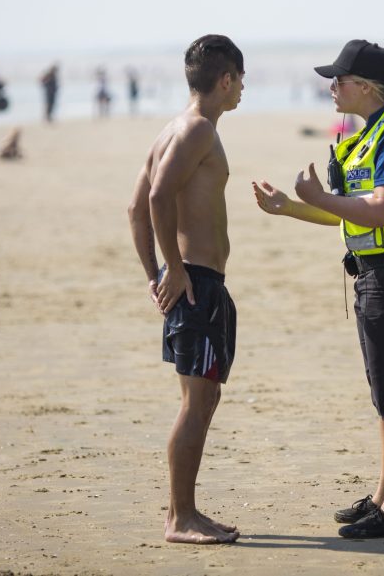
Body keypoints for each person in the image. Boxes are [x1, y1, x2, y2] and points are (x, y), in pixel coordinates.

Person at [253, 39, 384, 538]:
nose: (331, 88)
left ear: (366, 87)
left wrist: (319, 196)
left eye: (338, 80)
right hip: (377, 268)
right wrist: (292, 207)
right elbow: (350, 213)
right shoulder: (368, 134)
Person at [127, 34, 245, 544]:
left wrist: (154, 273)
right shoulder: (197, 130)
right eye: (240, 79)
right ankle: (181, 519)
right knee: (197, 403)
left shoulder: (172, 129)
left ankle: (187, 512)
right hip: (197, 283)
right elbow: (156, 196)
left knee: (203, 397)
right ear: (226, 80)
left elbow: (135, 207)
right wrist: (171, 271)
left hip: (195, 281)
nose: (242, 88)